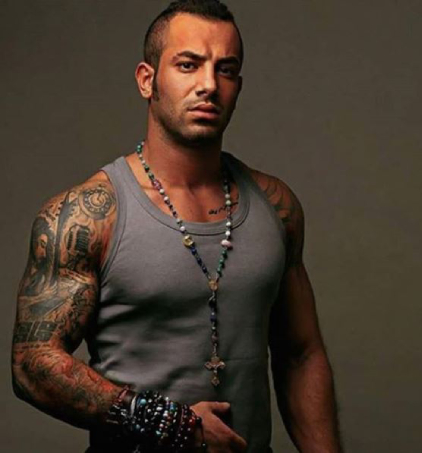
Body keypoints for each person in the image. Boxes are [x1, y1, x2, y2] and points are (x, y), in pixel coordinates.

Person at [11, 1, 343, 452]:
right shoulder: (88, 214)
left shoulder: (276, 206)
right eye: (188, 65)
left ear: (238, 85)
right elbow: (32, 364)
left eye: (226, 70)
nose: (209, 84)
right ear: (147, 80)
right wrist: (170, 422)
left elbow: (300, 355)